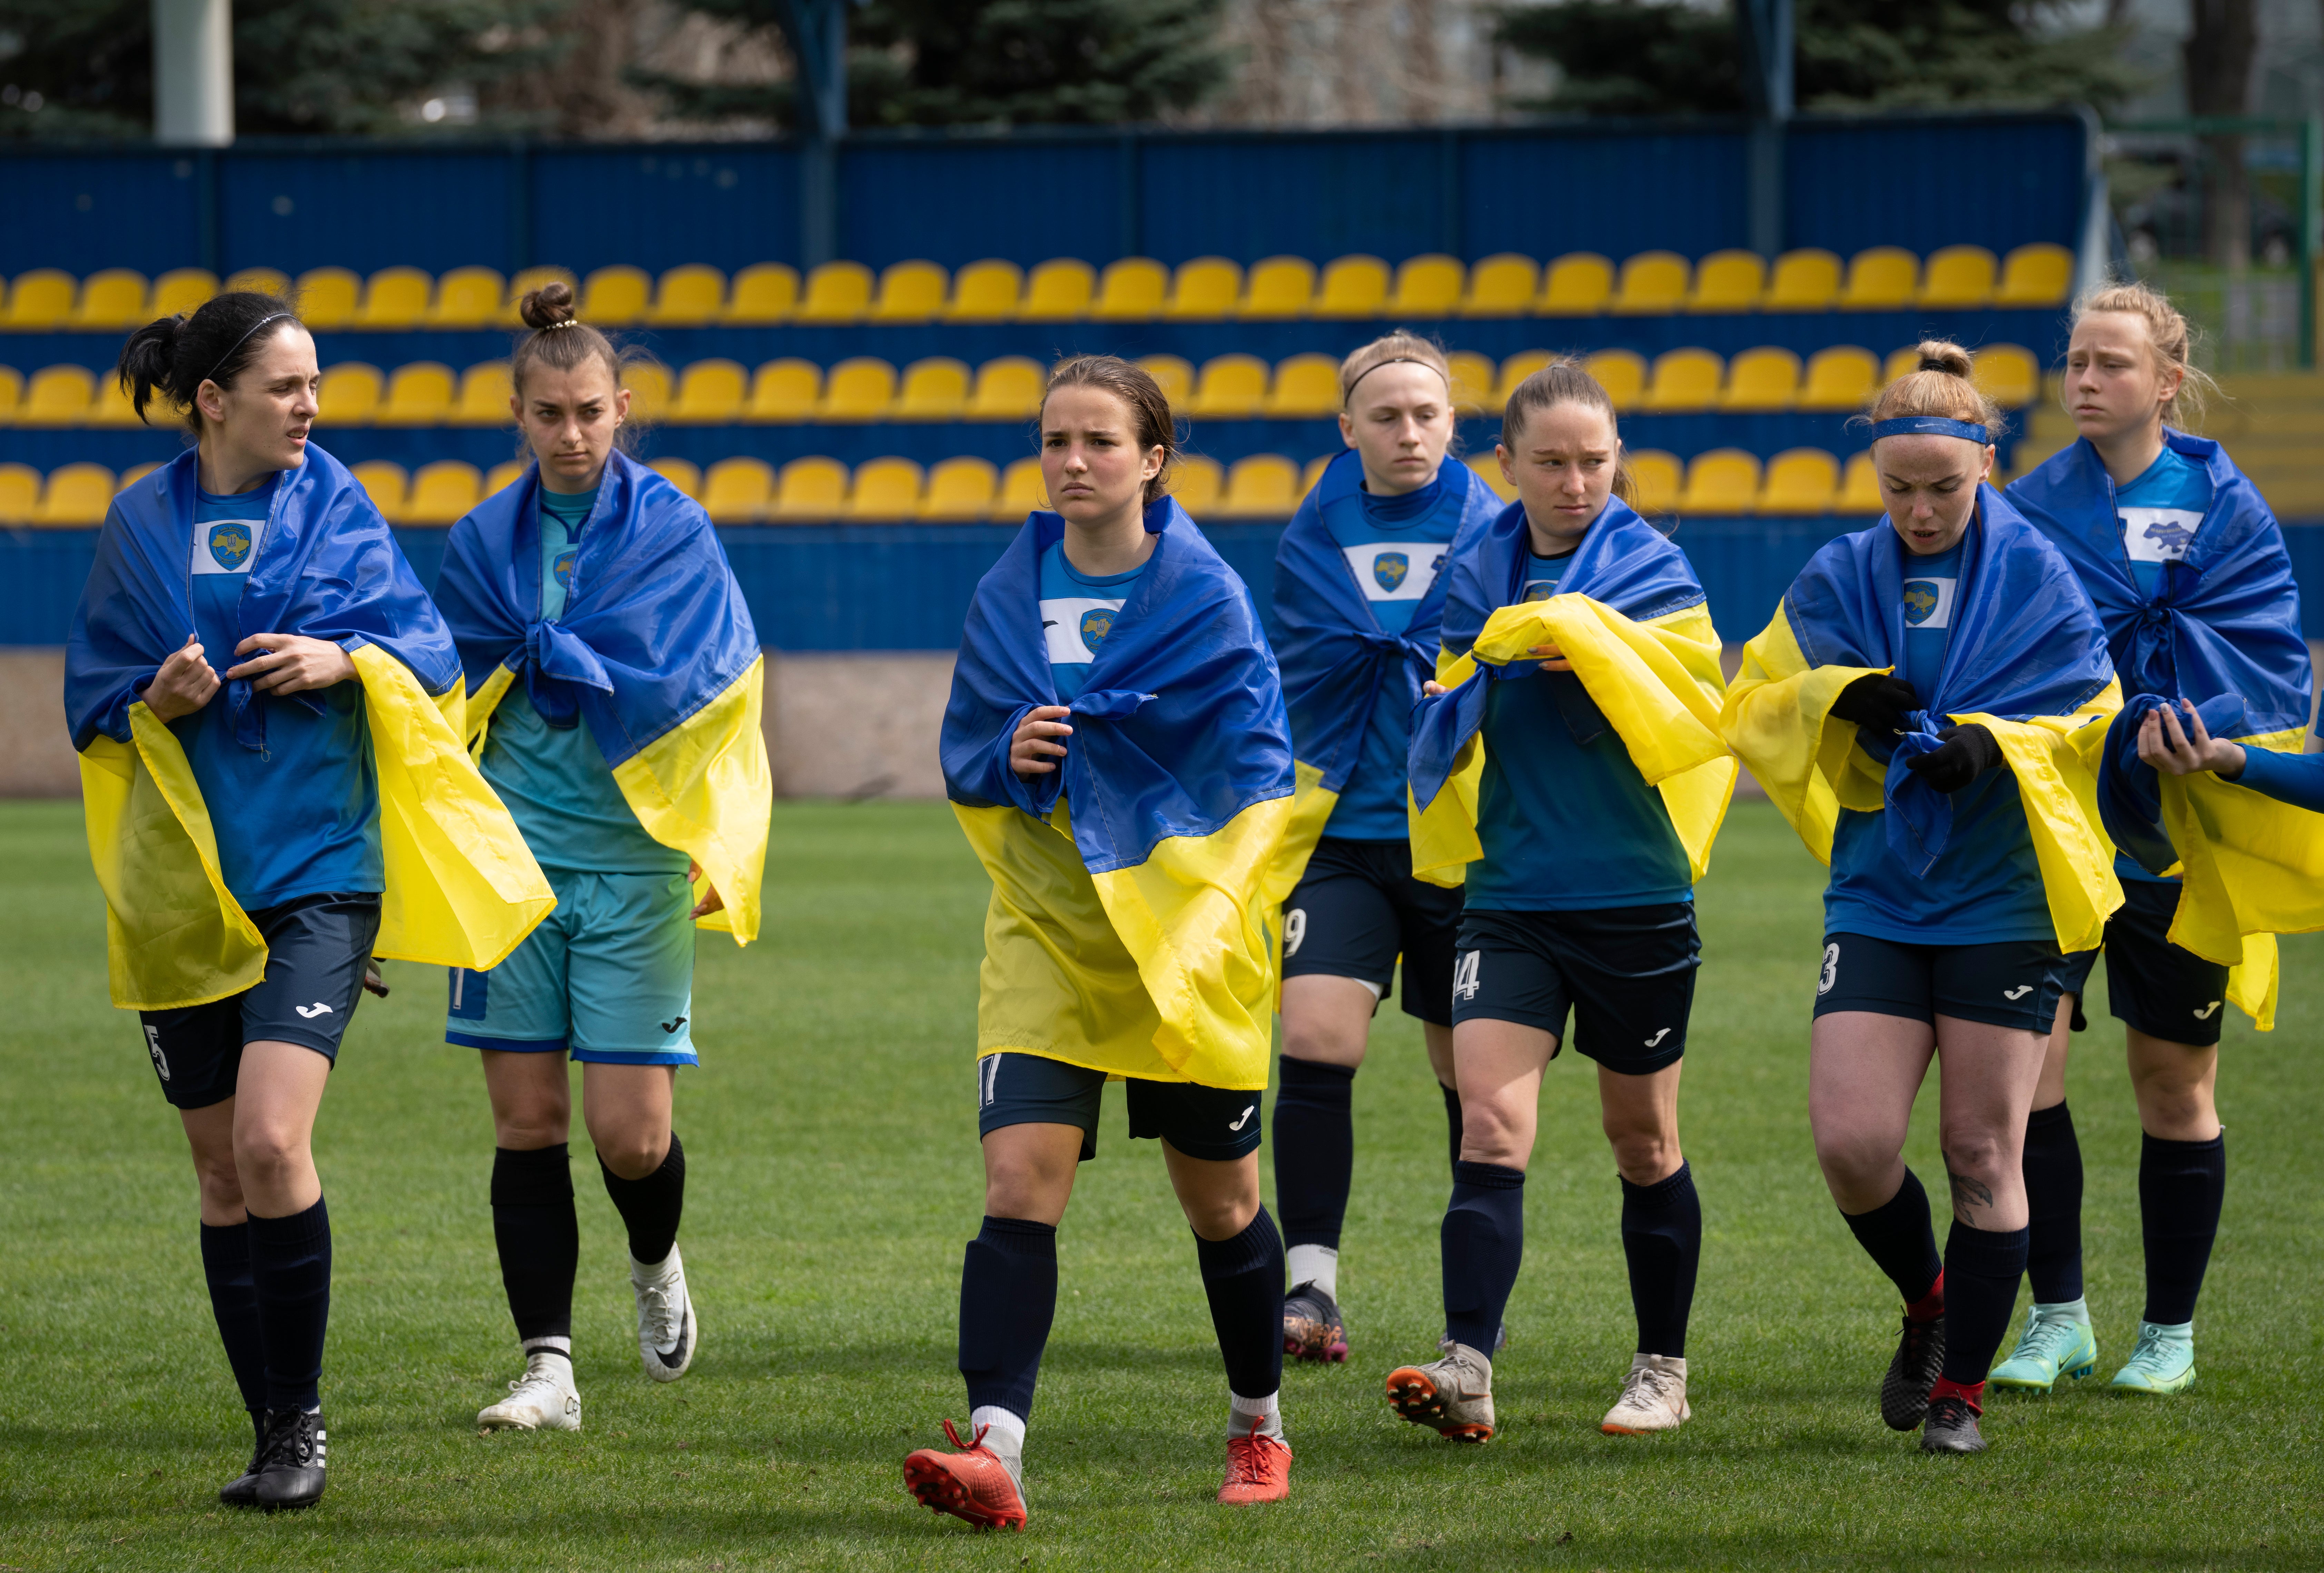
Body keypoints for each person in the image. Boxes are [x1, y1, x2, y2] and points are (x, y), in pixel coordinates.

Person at [67, 291, 552, 1509]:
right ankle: (270, 1421)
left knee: (271, 1141)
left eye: (316, 382)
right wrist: (158, 697)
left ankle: (297, 1429)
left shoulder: (335, 501)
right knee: (221, 1177)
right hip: (187, 892)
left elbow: (428, 656)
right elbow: (92, 697)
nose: (310, 406)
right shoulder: (139, 522)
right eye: (287, 387)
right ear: (215, 399)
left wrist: (347, 658)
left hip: (322, 874)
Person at [905, 355, 1299, 1528]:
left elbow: (1256, 768)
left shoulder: (1206, 596)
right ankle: (995, 1447)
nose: (1072, 462)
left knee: (1222, 1205)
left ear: (1153, 458)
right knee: (1019, 1181)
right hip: (1048, 934)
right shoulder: (1005, 590)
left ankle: (1257, 1424)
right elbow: (966, 746)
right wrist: (1007, 757)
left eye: (1098, 442)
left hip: (1180, 939)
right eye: (1054, 442)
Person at [1721, 342, 2123, 1454]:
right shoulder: (1841, 571)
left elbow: (2088, 712)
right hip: (1878, 892)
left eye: (1942, 487)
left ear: (1985, 465)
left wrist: (1989, 748)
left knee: (1981, 1151)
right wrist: (1840, 694)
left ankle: (1962, 1399)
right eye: (1897, 488)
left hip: (2004, 898)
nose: (1918, 509)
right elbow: (1754, 696)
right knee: (1851, 1142)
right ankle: (1930, 1307)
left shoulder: (2039, 571)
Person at [430, 282, 772, 1431]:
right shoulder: (479, 541)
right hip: (511, 869)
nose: (571, 433)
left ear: (622, 408)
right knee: (527, 1123)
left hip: (636, 867)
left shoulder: (673, 528)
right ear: (516, 415)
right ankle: (547, 1366)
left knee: (633, 1136)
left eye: (589, 411)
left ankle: (656, 1258)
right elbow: (440, 699)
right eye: (548, 414)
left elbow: (716, 681)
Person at [1385, 360, 1737, 1444]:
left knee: (1642, 1140)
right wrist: (1477, 669)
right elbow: (1440, 697)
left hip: (1632, 896)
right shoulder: (1472, 573)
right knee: (1489, 1125)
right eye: (1551, 462)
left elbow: (1688, 708)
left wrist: (1575, 635)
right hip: (1509, 896)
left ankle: (1660, 1369)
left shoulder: (1656, 568)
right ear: (1507, 466)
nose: (1575, 481)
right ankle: (1466, 1368)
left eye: (1594, 461)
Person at [1997, 282, 2311, 1398]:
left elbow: (2269, 665)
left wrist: (2204, 733)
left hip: (2177, 846)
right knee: (2023, 1082)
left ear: (2166, 381)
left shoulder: (2227, 506)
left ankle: (2167, 1333)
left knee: (2171, 1084)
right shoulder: (2028, 505)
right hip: (2053, 834)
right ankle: (2057, 1316)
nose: (2085, 380)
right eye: (2075, 361)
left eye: (2110, 364)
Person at [1266, 332, 1503, 1365]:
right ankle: (1309, 1287)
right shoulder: (1308, 536)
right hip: (1339, 838)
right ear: (1347, 428)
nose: (1407, 432)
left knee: (1472, 1074)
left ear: (1452, 424)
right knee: (1316, 1039)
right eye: (1386, 415)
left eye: (1425, 415)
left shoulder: (1498, 529)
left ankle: (1467, 1313)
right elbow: (1288, 671)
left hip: (1460, 840)